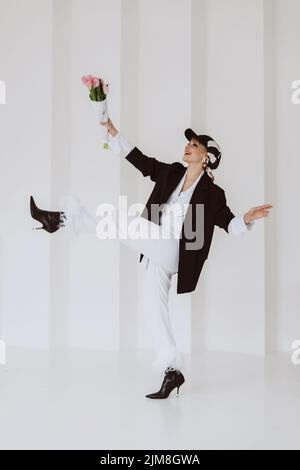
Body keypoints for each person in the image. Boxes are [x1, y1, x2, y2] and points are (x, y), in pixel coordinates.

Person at [30, 117, 273, 399]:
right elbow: (143, 163)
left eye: (194, 145)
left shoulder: (213, 193)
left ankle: (61, 219)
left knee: (127, 223)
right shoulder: (172, 172)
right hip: (156, 245)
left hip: (176, 250)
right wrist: (115, 134)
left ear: (207, 157)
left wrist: (246, 218)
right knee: (152, 306)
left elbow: (230, 225)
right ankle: (172, 370)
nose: (187, 147)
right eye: (188, 143)